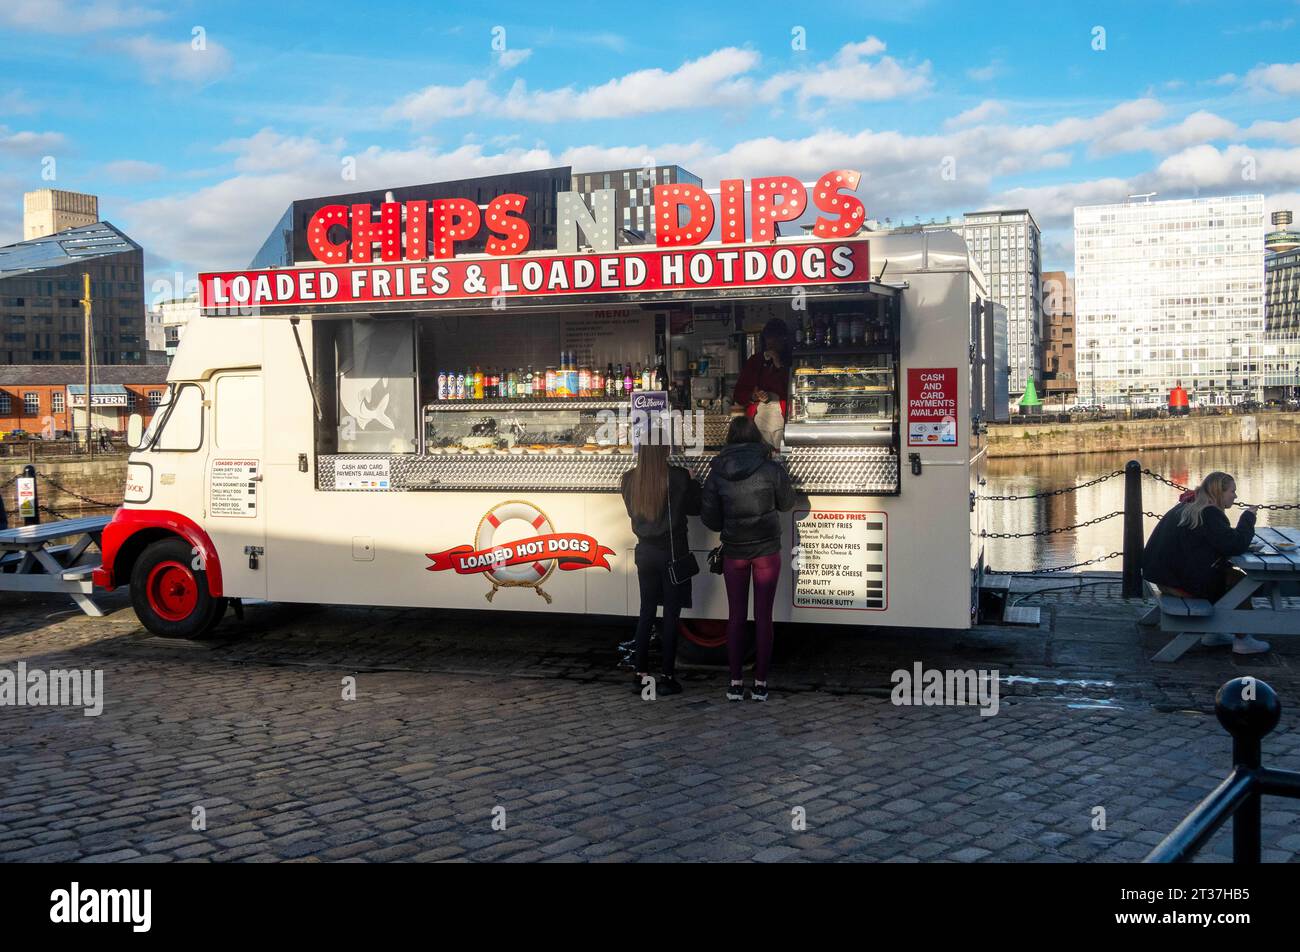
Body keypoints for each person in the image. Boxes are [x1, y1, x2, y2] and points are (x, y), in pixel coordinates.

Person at [702, 416, 796, 701]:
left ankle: (734, 683)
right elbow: (788, 503)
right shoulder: (770, 468)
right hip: (766, 550)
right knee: (764, 617)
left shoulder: (716, 471)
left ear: (729, 437)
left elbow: (710, 518)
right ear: (756, 437)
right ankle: (760, 684)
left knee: (736, 617)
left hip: (734, 551)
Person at [1142, 471, 1267, 655]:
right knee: (1241, 582)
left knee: (1230, 576)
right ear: (1219, 492)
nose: (1235, 496)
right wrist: (1248, 517)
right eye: (1232, 491)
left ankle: (1214, 634)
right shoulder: (1209, 512)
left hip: (1165, 579)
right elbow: (1235, 545)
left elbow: (1212, 542)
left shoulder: (1189, 505)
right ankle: (1242, 639)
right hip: (1181, 585)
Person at [620, 442, 701, 696]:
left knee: (646, 612)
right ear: (665, 450)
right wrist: (694, 482)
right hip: (672, 552)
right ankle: (667, 676)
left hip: (645, 552)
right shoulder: (677, 477)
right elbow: (695, 508)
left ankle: (640, 675)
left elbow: (633, 512)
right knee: (671, 616)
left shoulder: (628, 480)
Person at [731, 317, 792, 453]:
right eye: (769, 338)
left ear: (784, 340)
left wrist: (777, 363)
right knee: (760, 453)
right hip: (758, 419)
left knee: (783, 454)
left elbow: (790, 389)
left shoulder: (791, 360)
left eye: (777, 339)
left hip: (784, 418)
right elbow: (739, 394)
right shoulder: (755, 361)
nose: (772, 343)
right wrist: (753, 396)